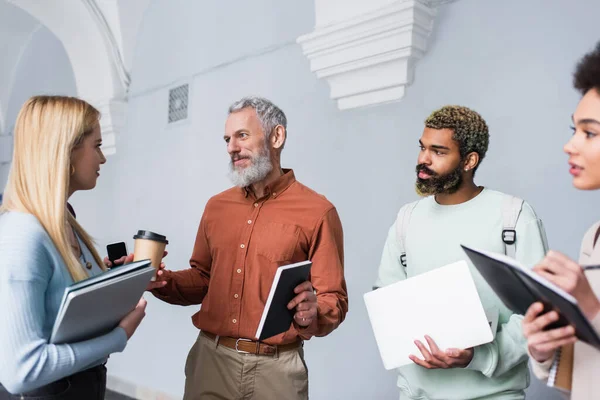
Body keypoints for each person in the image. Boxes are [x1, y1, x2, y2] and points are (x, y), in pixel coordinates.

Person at [151, 96, 348, 400]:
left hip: (277, 369)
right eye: (227, 139)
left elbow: (333, 299)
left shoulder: (318, 212)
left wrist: (313, 311)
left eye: (242, 135)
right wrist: (164, 281)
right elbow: (203, 279)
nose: (231, 147)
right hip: (211, 362)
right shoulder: (217, 207)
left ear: (277, 136)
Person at [374, 105, 548, 399]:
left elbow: (538, 313)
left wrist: (478, 356)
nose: (423, 160)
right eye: (422, 148)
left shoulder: (513, 216)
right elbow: (388, 305)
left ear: (469, 160)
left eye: (438, 152)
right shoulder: (407, 219)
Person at [0, 96, 147, 399]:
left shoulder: (65, 220)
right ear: (65, 150)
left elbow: (59, 303)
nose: (103, 158)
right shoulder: (22, 235)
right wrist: (118, 337)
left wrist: (113, 282)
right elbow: (20, 372)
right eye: (97, 145)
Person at [524, 41, 600, 400]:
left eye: (590, 132)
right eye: (574, 130)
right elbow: (586, 370)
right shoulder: (594, 237)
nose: (571, 145)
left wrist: (589, 308)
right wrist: (546, 347)